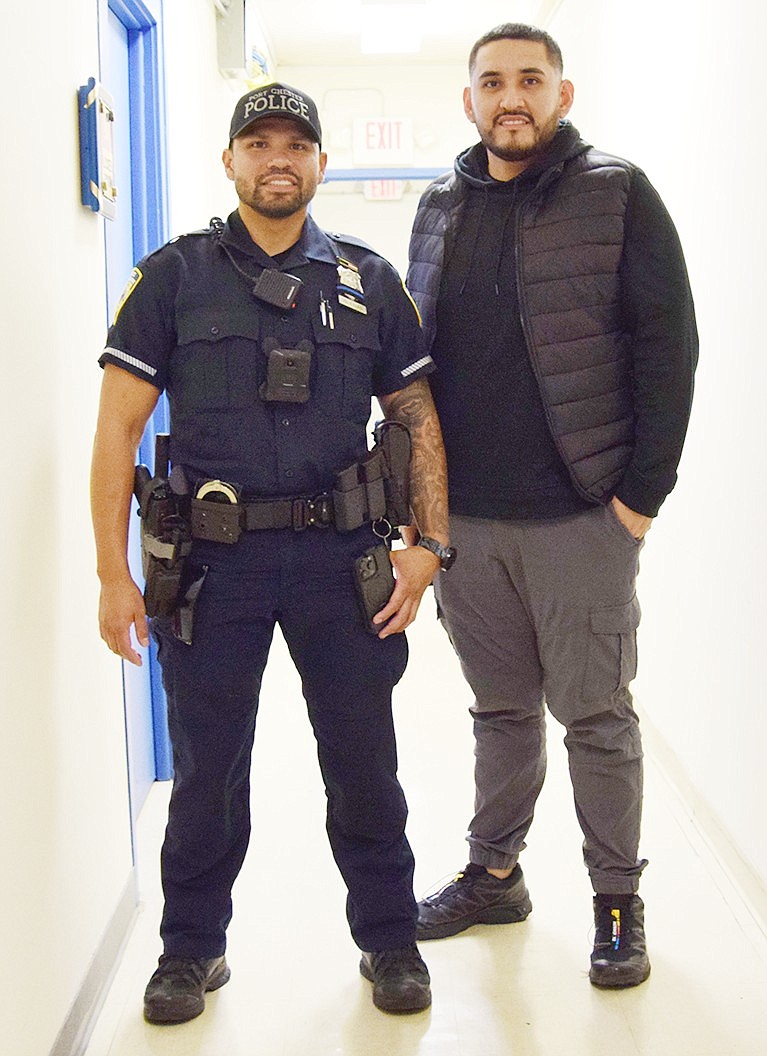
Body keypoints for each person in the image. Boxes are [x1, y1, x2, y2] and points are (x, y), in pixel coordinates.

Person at [91, 81, 452, 1023]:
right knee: (209, 767)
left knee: (363, 758)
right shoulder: (173, 277)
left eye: (297, 143)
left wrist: (429, 544)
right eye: (259, 143)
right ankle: (190, 950)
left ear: (321, 164)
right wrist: (110, 574)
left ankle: (389, 939)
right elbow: (117, 430)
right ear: (230, 161)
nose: (278, 158)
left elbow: (414, 416)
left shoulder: (369, 282)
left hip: (343, 562)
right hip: (213, 565)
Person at [406, 24, 697, 988]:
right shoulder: (440, 206)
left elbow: (669, 346)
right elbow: (416, 369)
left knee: (595, 716)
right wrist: (423, 508)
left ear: (561, 96)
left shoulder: (615, 191)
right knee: (499, 711)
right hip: (470, 528)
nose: (511, 97)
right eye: (492, 82)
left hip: (582, 518)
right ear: (470, 102)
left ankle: (617, 902)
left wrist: (636, 503)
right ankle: (496, 873)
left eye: (530, 79)